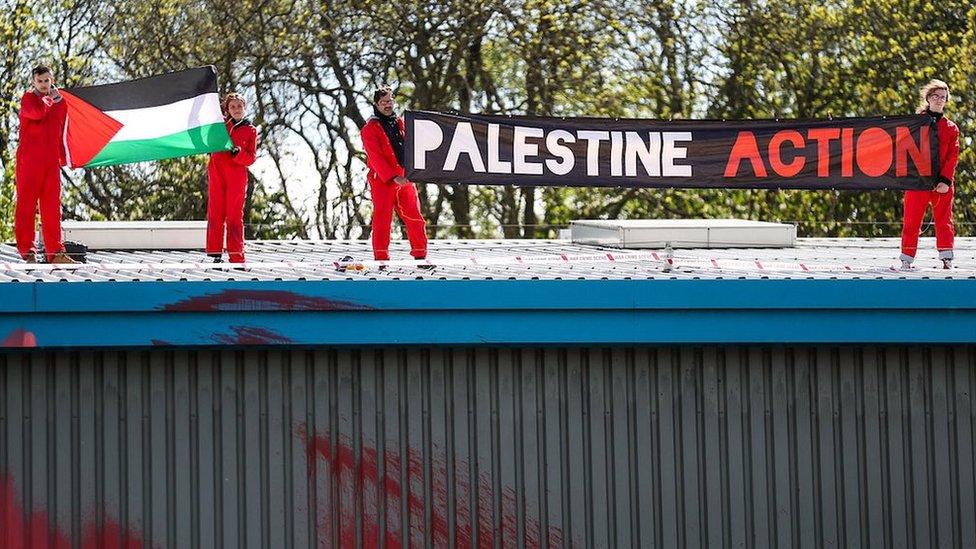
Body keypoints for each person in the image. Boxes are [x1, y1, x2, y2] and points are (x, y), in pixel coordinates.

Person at [15, 65, 76, 264]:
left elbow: (62, 130)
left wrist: (66, 157)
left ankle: (55, 253)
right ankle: (27, 251)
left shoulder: (61, 103)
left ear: (52, 80)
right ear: (34, 82)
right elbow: (36, 114)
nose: (43, 84)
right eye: (40, 81)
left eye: (47, 81)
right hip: (29, 161)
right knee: (27, 205)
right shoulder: (28, 99)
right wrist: (50, 100)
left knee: (52, 207)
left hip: (51, 163)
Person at [361, 86, 428, 261]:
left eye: (390, 101)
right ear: (376, 104)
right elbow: (375, 157)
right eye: (383, 102)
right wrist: (392, 177)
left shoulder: (400, 122)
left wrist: (413, 171)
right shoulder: (370, 128)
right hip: (383, 179)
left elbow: (413, 146)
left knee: (415, 216)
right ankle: (381, 258)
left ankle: (420, 255)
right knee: (382, 219)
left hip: (405, 177)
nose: (387, 105)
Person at [900, 79, 961, 269]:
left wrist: (945, 180)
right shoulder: (915, 123)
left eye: (943, 97)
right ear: (928, 98)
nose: (939, 100)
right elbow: (903, 150)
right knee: (911, 219)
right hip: (918, 181)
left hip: (941, 182)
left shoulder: (951, 128)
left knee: (944, 220)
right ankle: (906, 258)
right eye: (936, 96)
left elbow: (953, 156)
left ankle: (946, 257)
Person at [206, 92, 257, 263]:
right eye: (232, 106)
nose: (236, 109)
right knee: (215, 212)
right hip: (216, 171)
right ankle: (215, 253)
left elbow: (251, 158)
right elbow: (207, 138)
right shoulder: (219, 125)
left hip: (236, 174)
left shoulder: (250, 130)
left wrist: (239, 153)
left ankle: (236, 257)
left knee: (234, 215)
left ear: (245, 108)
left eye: (239, 106)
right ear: (227, 109)